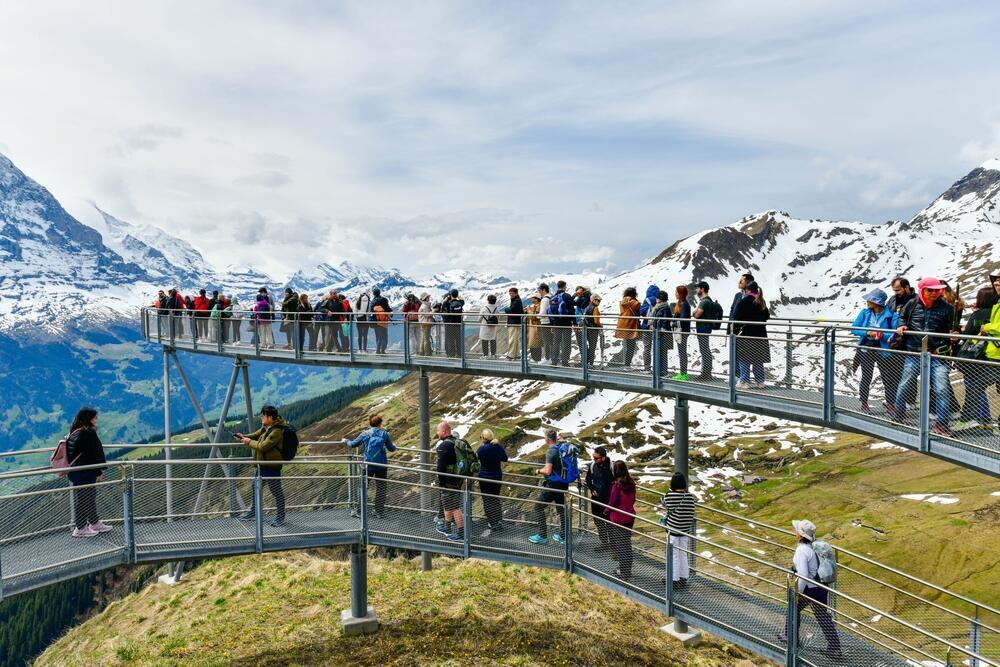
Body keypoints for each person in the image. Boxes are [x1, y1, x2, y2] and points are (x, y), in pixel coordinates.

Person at [893, 277, 956, 435]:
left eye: (937, 290)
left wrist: (954, 335)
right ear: (922, 290)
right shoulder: (912, 304)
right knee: (905, 384)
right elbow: (901, 317)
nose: (934, 293)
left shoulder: (947, 308)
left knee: (942, 389)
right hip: (914, 353)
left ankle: (942, 424)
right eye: (930, 290)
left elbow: (950, 328)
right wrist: (901, 325)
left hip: (936, 354)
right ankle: (899, 413)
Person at [780, 519, 843, 659]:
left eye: (796, 530)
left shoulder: (801, 550)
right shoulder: (813, 546)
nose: (794, 532)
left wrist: (797, 594)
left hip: (810, 588)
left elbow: (802, 575)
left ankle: (790, 638)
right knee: (823, 616)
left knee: (793, 608)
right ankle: (835, 648)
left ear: (801, 535)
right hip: (821, 587)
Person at [236, 405, 289, 527]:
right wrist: (243, 436)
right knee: (255, 488)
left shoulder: (277, 431)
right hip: (261, 466)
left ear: (269, 417)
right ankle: (254, 511)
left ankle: (280, 517)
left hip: (272, 467)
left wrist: (248, 442)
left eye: (263, 415)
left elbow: (263, 446)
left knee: (276, 492)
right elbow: (256, 435)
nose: (261, 417)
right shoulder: (267, 427)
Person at [849, 288, 900, 413]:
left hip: (883, 349)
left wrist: (882, 335)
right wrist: (867, 332)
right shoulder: (865, 313)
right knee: (866, 376)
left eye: (870, 299)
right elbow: (854, 328)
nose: (867, 301)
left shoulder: (892, 315)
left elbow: (894, 333)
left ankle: (890, 404)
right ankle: (864, 402)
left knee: (887, 377)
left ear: (877, 302)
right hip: (866, 348)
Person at [65, 407, 112, 538]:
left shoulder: (75, 432)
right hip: (86, 472)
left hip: (76, 472)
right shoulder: (88, 433)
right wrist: (99, 472)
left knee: (87, 498)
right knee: (85, 499)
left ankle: (93, 522)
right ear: (89, 419)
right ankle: (80, 528)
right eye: (95, 417)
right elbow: (93, 454)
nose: (97, 420)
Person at [963, 277, 1000, 427]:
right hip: (993, 353)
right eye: (996, 284)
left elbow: (996, 327)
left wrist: (986, 328)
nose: (997, 287)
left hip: (995, 354)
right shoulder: (997, 304)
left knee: (977, 384)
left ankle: (968, 419)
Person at [347, 415, 397, 518]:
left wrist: (346, 441)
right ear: (380, 423)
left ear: (370, 423)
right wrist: (395, 446)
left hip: (368, 465)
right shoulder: (384, 434)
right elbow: (391, 449)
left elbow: (353, 444)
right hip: (381, 465)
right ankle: (378, 512)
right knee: (381, 488)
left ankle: (359, 511)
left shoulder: (365, 434)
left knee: (363, 487)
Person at [528, 429, 570, 545]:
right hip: (562, 484)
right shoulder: (561, 449)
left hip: (552, 485)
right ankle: (563, 536)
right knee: (561, 509)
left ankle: (542, 535)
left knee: (538, 508)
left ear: (547, 439)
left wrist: (538, 471)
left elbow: (548, 470)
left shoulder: (551, 451)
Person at [660, 472, 695, 588]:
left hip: (673, 531)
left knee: (673, 555)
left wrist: (669, 492)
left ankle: (673, 580)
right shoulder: (689, 497)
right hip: (684, 531)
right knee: (683, 554)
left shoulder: (670, 496)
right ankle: (683, 578)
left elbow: (663, 502)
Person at [732, 281, 770, 387]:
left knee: (744, 357)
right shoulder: (761, 301)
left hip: (747, 334)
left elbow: (736, 317)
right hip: (761, 335)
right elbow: (767, 316)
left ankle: (744, 381)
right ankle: (760, 381)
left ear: (748, 290)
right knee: (757, 358)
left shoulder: (745, 301)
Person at [604, 460, 636, 581]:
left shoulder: (617, 486)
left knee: (621, 545)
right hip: (629, 517)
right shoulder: (631, 483)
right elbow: (633, 500)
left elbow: (613, 502)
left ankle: (624, 572)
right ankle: (627, 569)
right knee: (626, 544)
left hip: (618, 518)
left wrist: (606, 511)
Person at [435, 421, 464, 541]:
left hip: (448, 481)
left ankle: (461, 533)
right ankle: (447, 528)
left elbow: (441, 467)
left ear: (444, 431)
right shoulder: (457, 443)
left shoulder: (444, 446)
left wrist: (441, 483)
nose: (437, 434)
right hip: (457, 479)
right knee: (448, 505)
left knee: (455, 507)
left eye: (438, 431)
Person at [476, 428, 508, 535]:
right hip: (496, 476)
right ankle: (498, 521)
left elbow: (475, 458)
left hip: (485, 477)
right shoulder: (498, 447)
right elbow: (505, 458)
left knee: (487, 500)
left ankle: (491, 522)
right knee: (495, 498)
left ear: (484, 438)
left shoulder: (482, 449)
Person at [584, 446, 613, 550]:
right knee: (598, 521)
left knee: (610, 523)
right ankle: (604, 543)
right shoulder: (592, 466)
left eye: (596, 458)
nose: (594, 460)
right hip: (596, 499)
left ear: (603, 458)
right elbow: (588, 479)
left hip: (608, 500)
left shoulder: (611, 467)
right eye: (593, 457)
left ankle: (613, 548)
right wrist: (592, 489)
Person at [548, 280, 574, 366]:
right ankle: (565, 361)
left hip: (556, 323)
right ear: (564, 287)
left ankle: (554, 361)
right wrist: (574, 323)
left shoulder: (553, 297)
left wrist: (552, 325)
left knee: (556, 342)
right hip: (566, 323)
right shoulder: (567, 296)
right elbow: (571, 311)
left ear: (558, 287)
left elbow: (550, 312)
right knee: (566, 342)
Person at [692, 281, 715, 380]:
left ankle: (706, 374)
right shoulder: (706, 300)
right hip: (705, 328)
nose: (696, 290)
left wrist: (694, 312)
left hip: (703, 328)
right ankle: (706, 373)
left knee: (704, 350)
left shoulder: (704, 301)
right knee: (705, 350)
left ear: (702, 289)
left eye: (698, 288)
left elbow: (696, 315)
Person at [615, 287, 641, 368]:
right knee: (631, 347)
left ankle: (626, 365)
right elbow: (639, 312)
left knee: (626, 346)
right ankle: (627, 365)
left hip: (623, 325)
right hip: (632, 326)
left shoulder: (622, 302)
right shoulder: (635, 303)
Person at [650, 289, 674, 378]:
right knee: (658, 351)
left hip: (663, 333)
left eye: (657, 297)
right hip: (658, 333)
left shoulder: (664, 308)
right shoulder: (659, 307)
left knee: (663, 352)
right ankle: (658, 370)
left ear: (661, 298)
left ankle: (663, 371)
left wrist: (662, 328)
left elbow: (665, 320)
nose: (656, 299)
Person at [673, 285, 692, 380]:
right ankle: (682, 373)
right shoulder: (682, 303)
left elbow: (684, 318)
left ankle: (684, 374)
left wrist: (674, 322)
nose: (675, 294)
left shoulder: (684, 304)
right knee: (681, 352)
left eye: (676, 292)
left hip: (682, 331)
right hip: (682, 331)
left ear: (680, 294)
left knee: (682, 352)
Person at [639, 284, 661, 372]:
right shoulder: (659, 300)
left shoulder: (647, 300)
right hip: (656, 327)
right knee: (657, 347)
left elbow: (642, 312)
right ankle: (657, 369)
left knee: (647, 348)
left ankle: (647, 368)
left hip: (646, 326)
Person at [442, 289, 465, 358]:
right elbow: (462, 301)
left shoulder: (447, 303)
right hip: (458, 324)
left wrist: (446, 299)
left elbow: (443, 308)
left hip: (450, 324)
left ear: (451, 295)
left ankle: (451, 354)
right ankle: (459, 353)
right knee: (458, 339)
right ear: (457, 295)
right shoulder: (460, 303)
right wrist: (458, 297)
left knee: (450, 339)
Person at [583, 294, 603, 367]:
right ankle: (591, 364)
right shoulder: (595, 308)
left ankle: (586, 363)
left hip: (587, 329)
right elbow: (596, 320)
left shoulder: (587, 307)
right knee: (592, 347)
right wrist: (600, 326)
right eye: (598, 300)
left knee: (588, 346)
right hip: (593, 329)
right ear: (593, 300)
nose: (599, 302)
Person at [505, 287, 524, 360]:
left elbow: (510, 310)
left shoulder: (516, 301)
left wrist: (506, 309)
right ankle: (517, 354)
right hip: (515, 322)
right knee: (515, 339)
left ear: (516, 293)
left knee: (512, 339)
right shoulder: (516, 300)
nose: (510, 295)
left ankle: (511, 355)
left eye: (511, 293)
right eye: (509, 293)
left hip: (513, 322)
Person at [371, 287, 392, 354]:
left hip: (376, 321)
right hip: (383, 321)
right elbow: (388, 309)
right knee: (384, 336)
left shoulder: (373, 301)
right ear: (379, 293)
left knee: (378, 335)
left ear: (374, 294)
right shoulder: (384, 299)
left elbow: (371, 311)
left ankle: (378, 350)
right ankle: (383, 350)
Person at [573, 285, 592, 355]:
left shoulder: (583, 298)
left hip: (580, 323)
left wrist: (575, 295)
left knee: (581, 343)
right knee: (586, 343)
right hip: (587, 323)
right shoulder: (589, 297)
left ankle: (584, 362)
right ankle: (587, 362)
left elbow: (571, 302)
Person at [526, 293, 544, 362]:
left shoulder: (539, 306)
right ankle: (535, 358)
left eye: (533, 298)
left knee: (535, 344)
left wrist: (529, 310)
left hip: (535, 328)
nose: (531, 299)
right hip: (533, 327)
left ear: (536, 299)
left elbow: (535, 317)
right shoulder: (535, 306)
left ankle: (536, 359)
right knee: (533, 343)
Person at [538, 283, 553, 362]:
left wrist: (536, 316)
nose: (539, 292)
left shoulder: (544, 299)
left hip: (545, 322)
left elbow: (543, 313)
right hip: (551, 322)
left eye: (539, 290)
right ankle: (552, 358)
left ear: (544, 290)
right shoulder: (551, 297)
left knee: (546, 341)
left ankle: (547, 358)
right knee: (551, 341)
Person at [418, 292, 434, 356]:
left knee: (423, 338)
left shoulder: (424, 305)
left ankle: (421, 351)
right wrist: (434, 311)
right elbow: (427, 315)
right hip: (426, 323)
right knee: (426, 339)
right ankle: (427, 353)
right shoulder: (425, 306)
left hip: (424, 323)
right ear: (425, 298)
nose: (429, 298)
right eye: (428, 297)